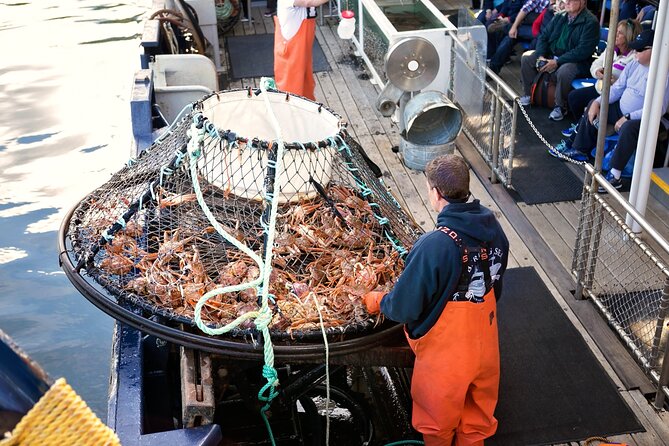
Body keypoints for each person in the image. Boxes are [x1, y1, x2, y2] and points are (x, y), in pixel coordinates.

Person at [363, 154, 509, 445]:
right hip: (486, 342)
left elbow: (404, 307)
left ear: (435, 193)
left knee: (437, 422)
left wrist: (378, 301)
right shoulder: (493, 226)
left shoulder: (436, 244)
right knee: (476, 418)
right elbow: (496, 284)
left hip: (447, 356)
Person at [551, 30, 669, 192]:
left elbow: (658, 110)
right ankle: (580, 149)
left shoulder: (664, 74)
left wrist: (628, 117)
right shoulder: (634, 64)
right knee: (593, 104)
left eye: (640, 50)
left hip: (645, 120)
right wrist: (598, 102)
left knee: (628, 128)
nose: (635, 52)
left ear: (653, 50)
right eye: (635, 48)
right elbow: (617, 89)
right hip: (622, 110)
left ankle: (616, 176)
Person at [518, 0, 600, 121]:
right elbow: (543, 37)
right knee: (527, 58)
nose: (566, 2)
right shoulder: (560, 16)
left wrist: (558, 61)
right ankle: (529, 95)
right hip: (553, 55)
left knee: (565, 70)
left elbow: (582, 51)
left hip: (578, 61)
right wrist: (541, 56)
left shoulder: (591, 22)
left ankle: (560, 106)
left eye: (571, 0)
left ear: (583, 2)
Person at [563, 18, 641, 134]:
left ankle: (582, 130)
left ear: (629, 37)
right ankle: (580, 126)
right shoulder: (611, 49)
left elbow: (630, 84)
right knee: (574, 97)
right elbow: (596, 64)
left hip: (614, 95)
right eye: (615, 31)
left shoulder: (634, 58)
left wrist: (614, 82)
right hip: (600, 88)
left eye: (620, 33)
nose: (615, 34)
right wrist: (597, 72)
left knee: (591, 106)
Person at [273, 0, 329, 100]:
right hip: (290, 57)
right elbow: (308, 3)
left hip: (302, 54)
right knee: (291, 97)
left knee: (306, 91)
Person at [486, 0, 549, 73]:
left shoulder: (560, 4)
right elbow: (525, 9)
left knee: (514, 33)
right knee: (510, 38)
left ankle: (506, 27)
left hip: (541, 31)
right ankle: (493, 69)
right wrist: (514, 26)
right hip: (530, 25)